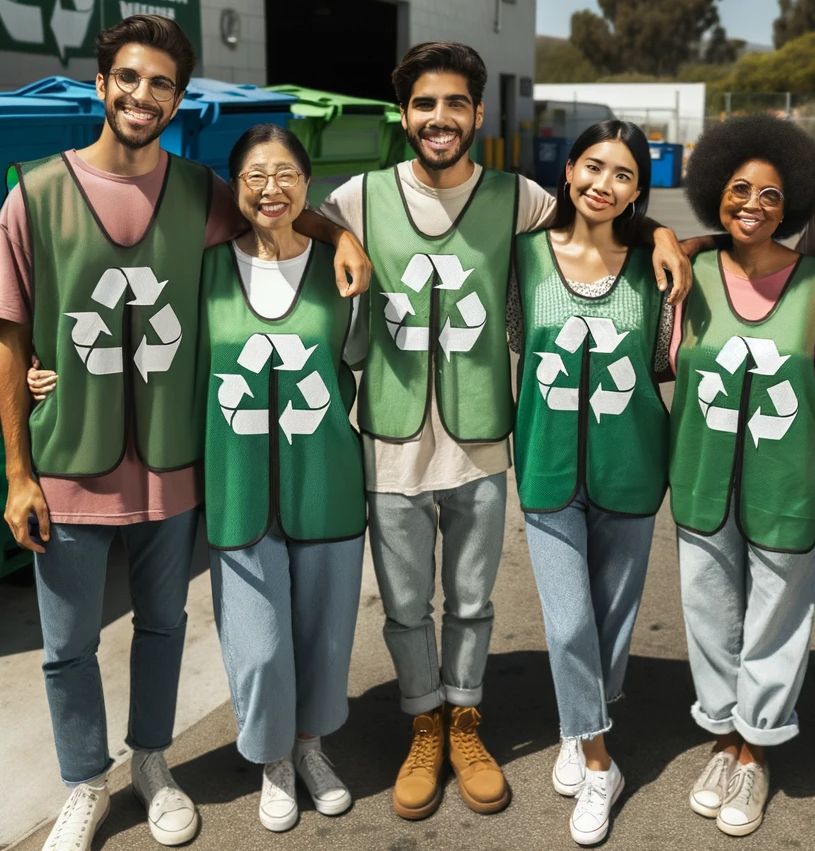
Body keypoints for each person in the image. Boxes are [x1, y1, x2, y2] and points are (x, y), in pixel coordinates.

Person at [0, 15, 369, 851]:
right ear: (100, 86)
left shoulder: (202, 189)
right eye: (128, 79)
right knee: (67, 647)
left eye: (161, 83)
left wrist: (341, 234)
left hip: (172, 467)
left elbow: (273, 211)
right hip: (67, 462)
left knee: (163, 626)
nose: (142, 95)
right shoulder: (33, 192)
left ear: (178, 99)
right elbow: (11, 334)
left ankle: (153, 763)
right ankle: (84, 783)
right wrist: (18, 471)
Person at [319, 42, 690, 820]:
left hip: (481, 440)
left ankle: (464, 719)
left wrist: (666, 235)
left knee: (472, 600)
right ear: (404, 114)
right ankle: (423, 722)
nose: (440, 118)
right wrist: (336, 237)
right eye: (424, 103)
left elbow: (603, 212)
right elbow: (279, 216)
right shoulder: (357, 196)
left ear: (479, 114)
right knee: (404, 601)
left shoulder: (517, 197)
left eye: (456, 103)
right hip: (389, 436)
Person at [200, 124, 367, 832]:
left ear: (308, 183)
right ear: (234, 190)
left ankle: (309, 747)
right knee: (260, 642)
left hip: (326, 478)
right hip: (237, 486)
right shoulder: (204, 269)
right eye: (253, 178)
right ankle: (270, 757)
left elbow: (366, 362)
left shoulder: (341, 269)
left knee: (325, 633)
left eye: (284, 175)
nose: (270, 190)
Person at [512, 121, 670, 845]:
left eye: (623, 176)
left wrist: (672, 237)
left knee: (611, 622)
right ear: (568, 168)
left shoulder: (652, 265)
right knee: (569, 620)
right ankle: (599, 760)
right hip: (546, 462)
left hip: (631, 464)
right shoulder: (522, 255)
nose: (603, 185)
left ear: (639, 190)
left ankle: (581, 727)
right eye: (593, 167)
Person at [672, 113, 815, 837]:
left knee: (776, 619)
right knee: (708, 616)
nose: (752, 205)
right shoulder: (689, 273)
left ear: (792, 202)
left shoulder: (813, 281)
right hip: (699, 479)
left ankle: (755, 747)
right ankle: (723, 736)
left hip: (788, 484)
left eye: (770, 194)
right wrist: (677, 240)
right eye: (738, 190)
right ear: (711, 191)